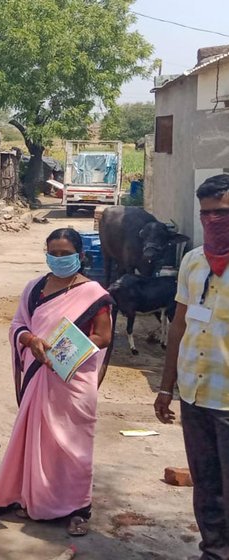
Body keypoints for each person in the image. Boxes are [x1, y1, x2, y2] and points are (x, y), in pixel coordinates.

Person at [0, 228, 114, 537]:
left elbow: (104, 334)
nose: (58, 259)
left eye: (65, 253)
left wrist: (64, 353)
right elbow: (18, 324)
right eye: (53, 253)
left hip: (73, 380)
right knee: (39, 441)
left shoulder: (93, 293)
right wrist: (30, 340)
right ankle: (36, 499)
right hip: (38, 374)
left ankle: (77, 509)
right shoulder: (35, 289)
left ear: (80, 255)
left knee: (73, 447)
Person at [155, 174, 229, 560]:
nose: (213, 220)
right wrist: (166, 387)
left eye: (222, 212)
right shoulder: (193, 262)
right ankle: (213, 552)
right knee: (206, 485)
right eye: (206, 214)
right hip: (195, 397)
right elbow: (180, 326)